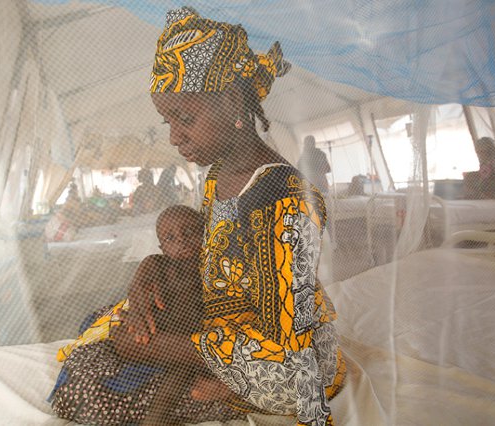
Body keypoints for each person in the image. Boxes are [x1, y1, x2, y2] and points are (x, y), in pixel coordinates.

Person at [126, 7, 346, 425]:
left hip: (288, 357)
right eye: (167, 120)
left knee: (129, 339)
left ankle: (226, 381)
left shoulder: (282, 196)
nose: (174, 137)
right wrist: (151, 270)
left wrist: (203, 347)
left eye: (185, 118)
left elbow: (292, 330)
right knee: (127, 323)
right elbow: (207, 257)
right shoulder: (216, 178)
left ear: (231, 103)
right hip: (229, 325)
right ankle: (211, 369)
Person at [51, 205, 244, 425]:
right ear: (162, 247)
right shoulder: (159, 263)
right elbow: (144, 277)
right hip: (156, 330)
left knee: (178, 376)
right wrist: (145, 271)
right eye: (170, 238)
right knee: (119, 334)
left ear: (207, 233)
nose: (181, 240)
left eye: (189, 232)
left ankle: (156, 418)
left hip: (188, 340)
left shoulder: (213, 266)